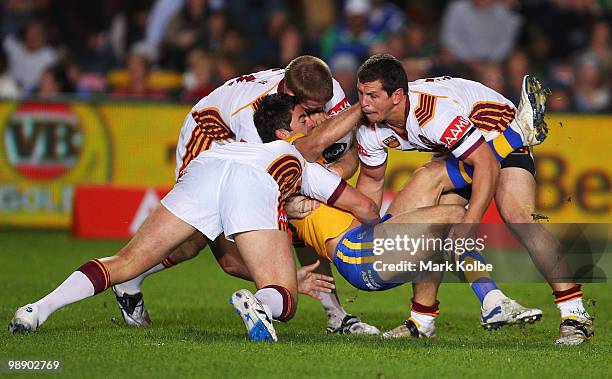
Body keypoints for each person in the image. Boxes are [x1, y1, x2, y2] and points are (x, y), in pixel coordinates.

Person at [8, 94, 381, 343]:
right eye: (304, 118)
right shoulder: (297, 159)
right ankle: (260, 304)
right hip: (256, 182)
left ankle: (37, 309)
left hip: (206, 168)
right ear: (284, 133)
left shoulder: (235, 147)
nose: (312, 123)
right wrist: (381, 230)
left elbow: (230, 258)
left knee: (125, 262)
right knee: (284, 297)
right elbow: (363, 208)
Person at [111, 55, 379, 335]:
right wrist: (297, 198)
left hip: (258, 155)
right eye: (311, 111)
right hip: (208, 147)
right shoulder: (253, 116)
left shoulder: (323, 89)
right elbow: (270, 179)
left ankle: (335, 317)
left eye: (322, 108)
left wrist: (330, 177)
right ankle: (129, 277)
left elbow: (348, 154)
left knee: (306, 220)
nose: (319, 115)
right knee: (213, 252)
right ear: (290, 95)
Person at [354, 53, 593, 345]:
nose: (363, 103)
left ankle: (574, 315)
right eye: (361, 93)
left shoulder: (431, 115)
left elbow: (486, 164)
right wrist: (359, 229)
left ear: (397, 96)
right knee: (435, 225)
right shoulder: (369, 128)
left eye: (372, 95)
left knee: (519, 218)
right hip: (457, 146)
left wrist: (470, 222)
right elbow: (372, 181)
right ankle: (422, 320)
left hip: (493, 128)